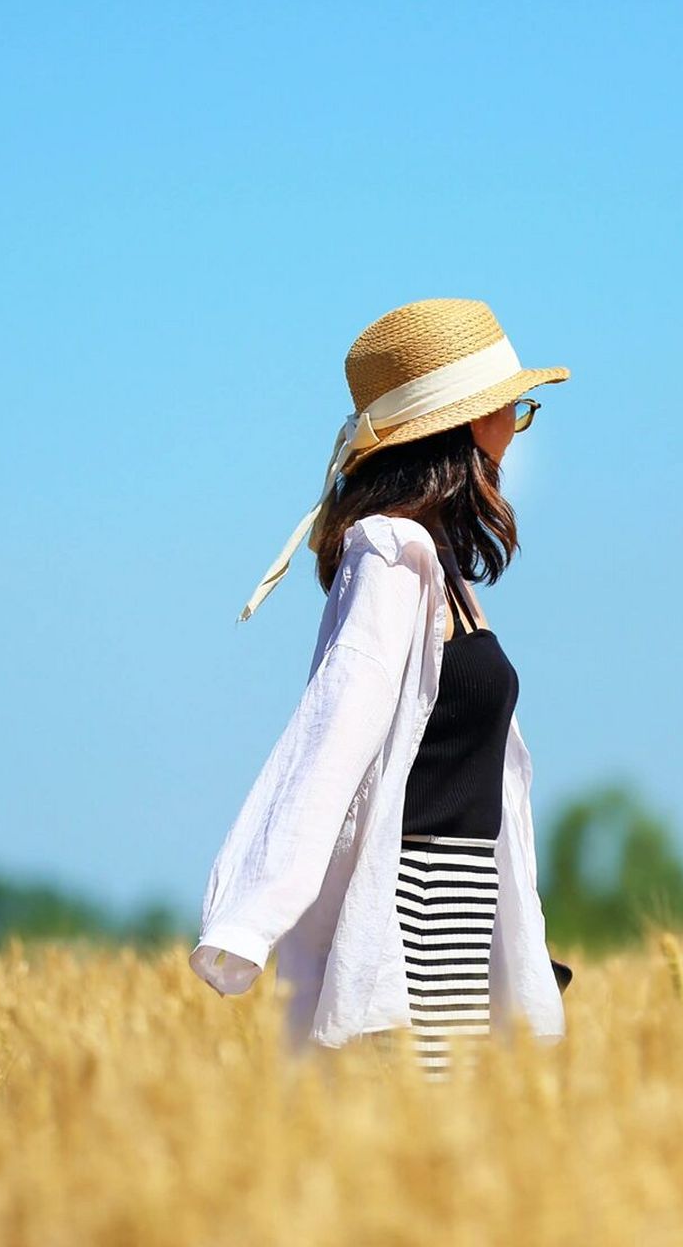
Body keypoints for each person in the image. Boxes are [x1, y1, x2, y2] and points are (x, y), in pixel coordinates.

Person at [189, 297, 571, 1082]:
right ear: (463, 424)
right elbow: (334, 732)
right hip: (414, 919)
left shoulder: (445, 575)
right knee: (419, 1161)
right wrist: (251, 914)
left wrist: (520, 932)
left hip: (464, 919)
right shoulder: (389, 554)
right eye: (511, 408)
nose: (515, 425)